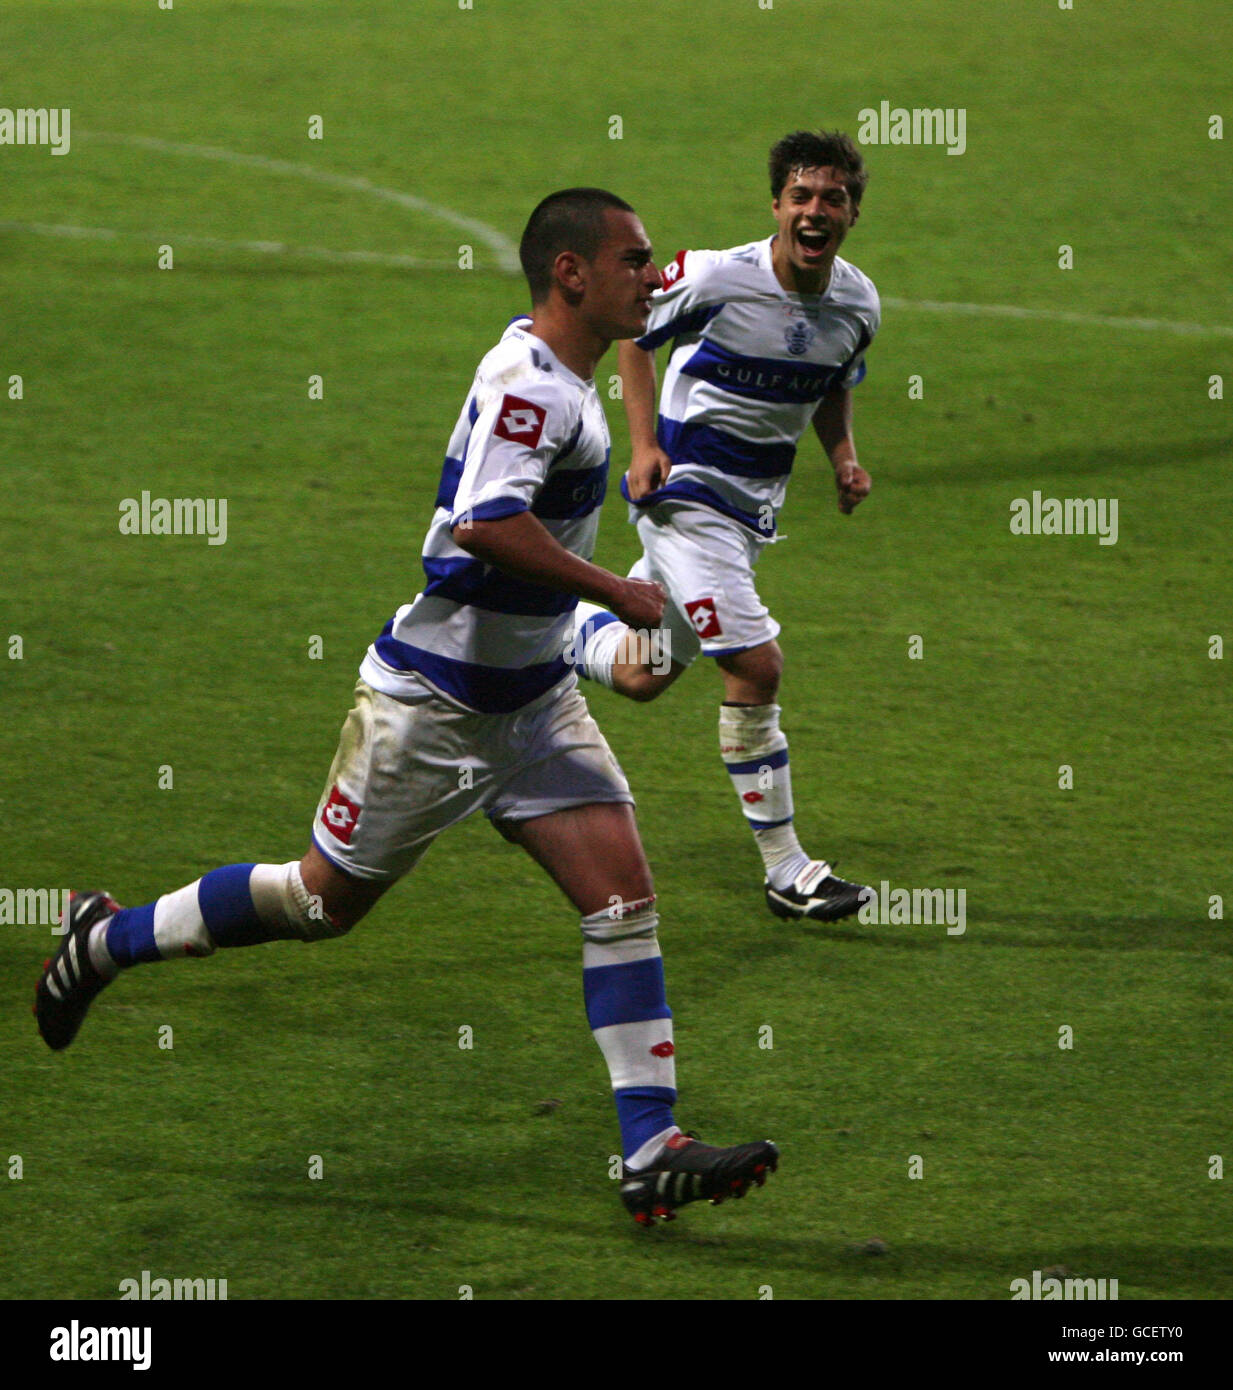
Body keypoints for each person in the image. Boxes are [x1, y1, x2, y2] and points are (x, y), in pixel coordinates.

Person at [35, 188, 777, 1226]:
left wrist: (606, 655)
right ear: (571, 272)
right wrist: (614, 592)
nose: (654, 276)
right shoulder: (534, 384)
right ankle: (105, 938)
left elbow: (519, 586)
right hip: (428, 706)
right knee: (317, 904)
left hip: (531, 705)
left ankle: (651, 1146)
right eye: (634, 259)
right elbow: (483, 528)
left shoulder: (571, 379)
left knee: (622, 899)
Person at [573, 131, 880, 923]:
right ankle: (785, 869)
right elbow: (636, 334)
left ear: (852, 211)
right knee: (756, 666)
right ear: (776, 205)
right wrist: (643, 447)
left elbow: (832, 381)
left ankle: (537, 615)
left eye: (833, 197)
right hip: (684, 497)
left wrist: (842, 456)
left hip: (749, 514)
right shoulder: (714, 275)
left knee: (645, 671)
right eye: (801, 196)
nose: (815, 211)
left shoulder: (857, 303)